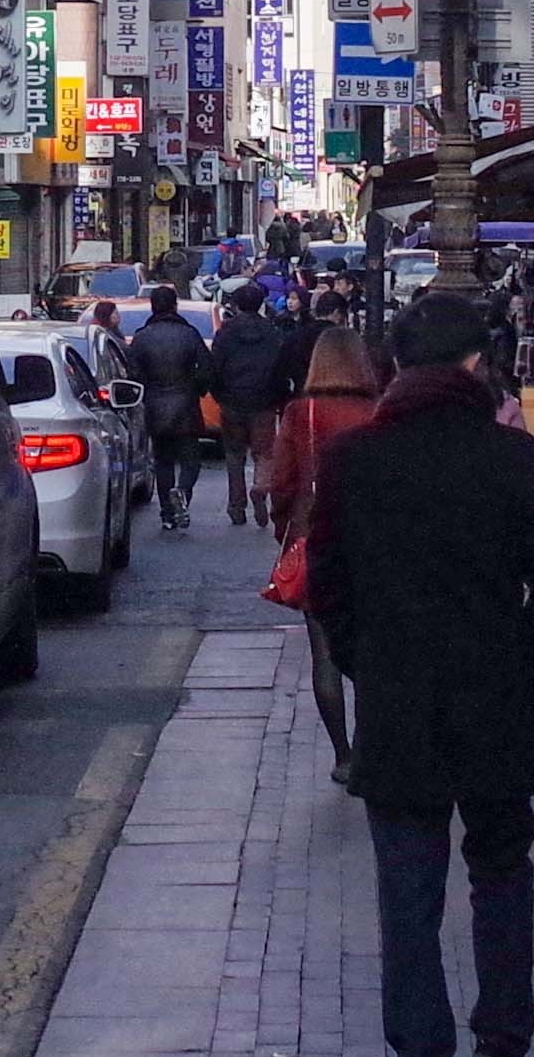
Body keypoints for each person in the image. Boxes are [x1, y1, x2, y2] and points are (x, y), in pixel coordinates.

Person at [304, 291, 534, 1057]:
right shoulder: (508, 456)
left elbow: (329, 588)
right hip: (496, 697)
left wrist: (367, 663)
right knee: (502, 875)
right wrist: (529, 654)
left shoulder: (356, 460)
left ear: (395, 366)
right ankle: (503, 1055)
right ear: (475, 365)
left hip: (400, 705)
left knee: (408, 896)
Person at [263, 322, 381, 786]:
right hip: (373, 541)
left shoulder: (301, 413)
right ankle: (372, 745)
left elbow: (283, 480)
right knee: (373, 650)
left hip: (316, 537)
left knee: (324, 654)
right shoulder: (379, 409)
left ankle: (343, 755)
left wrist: (284, 530)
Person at [122, 282, 214, 532]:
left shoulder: (141, 337)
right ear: (175, 305)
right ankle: (182, 492)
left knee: (162, 460)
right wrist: (196, 389)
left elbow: (132, 375)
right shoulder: (190, 334)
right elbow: (206, 369)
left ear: (152, 307)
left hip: (154, 404)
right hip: (185, 403)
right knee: (190, 458)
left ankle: (167, 513)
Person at [204, 283, 293, 525]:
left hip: (232, 400)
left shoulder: (226, 333)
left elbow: (215, 367)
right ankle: (261, 487)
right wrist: (278, 395)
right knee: (264, 451)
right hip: (264, 400)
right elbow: (281, 366)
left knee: (234, 455)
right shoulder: (272, 332)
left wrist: (220, 394)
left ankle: (236, 505)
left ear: (237, 305)